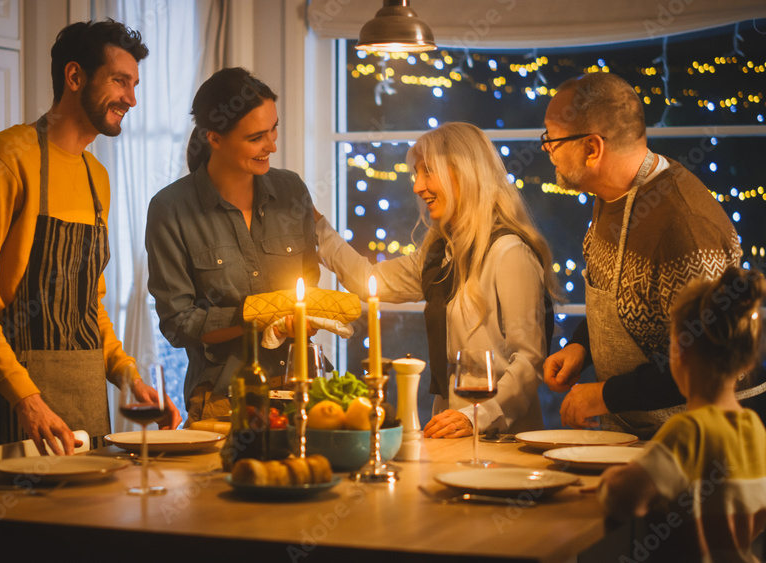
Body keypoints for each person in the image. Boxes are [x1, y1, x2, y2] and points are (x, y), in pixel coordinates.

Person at [0, 19, 181, 457]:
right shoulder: (2, 160)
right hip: (16, 404)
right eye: (119, 81)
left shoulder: (97, 177)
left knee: (88, 522)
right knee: (24, 524)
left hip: (87, 398)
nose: (131, 98)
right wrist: (26, 398)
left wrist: (129, 378)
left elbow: (88, 306)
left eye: (134, 85)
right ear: (75, 77)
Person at [540, 72, 758, 439]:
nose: (547, 150)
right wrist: (581, 346)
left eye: (552, 140)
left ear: (593, 149)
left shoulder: (683, 227)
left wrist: (605, 395)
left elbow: (704, 359)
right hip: (639, 434)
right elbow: (627, 301)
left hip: (704, 441)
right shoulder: (610, 194)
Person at [315, 122, 561, 438]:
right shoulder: (439, 255)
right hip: (448, 430)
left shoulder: (508, 251)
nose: (417, 186)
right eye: (416, 174)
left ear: (465, 174)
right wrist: (316, 224)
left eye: (427, 172)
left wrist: (477, 417)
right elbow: (369, 279)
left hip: (501, 438)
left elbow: (529, 362)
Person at [146, 67, 320, 422]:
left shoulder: (291, 191)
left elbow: (309, 285)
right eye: (256, 137)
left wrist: (306, 317)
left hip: (300, 392)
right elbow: (178, 324)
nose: (271, 145)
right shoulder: (171, 209)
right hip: (222, 402)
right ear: (215, 138)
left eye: (274, 130)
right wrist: (257, 315)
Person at [598, 266, 766, 562]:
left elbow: (624, 498)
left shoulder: (689, 432)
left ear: (680, 354)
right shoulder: (754, 428)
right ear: (745, 361)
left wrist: (609, 477)